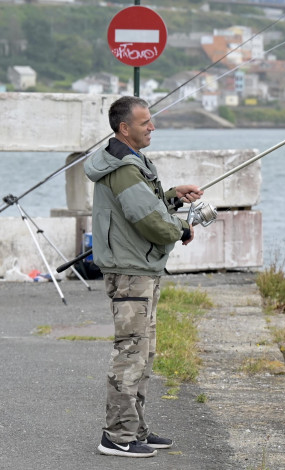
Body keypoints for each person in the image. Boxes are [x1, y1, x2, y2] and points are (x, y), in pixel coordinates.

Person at [84, 96, 203, 458]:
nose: (152, 127)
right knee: (130, 352)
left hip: (141, 269)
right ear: (125, 128)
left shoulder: (130, 164)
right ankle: (117, 437)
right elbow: (147, 220)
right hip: (130, 272)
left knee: (143, 352)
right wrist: (181, 229)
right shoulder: (123, 167)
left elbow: (145, 205)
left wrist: (172, 197)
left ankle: (135, 429)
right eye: (145, 122)